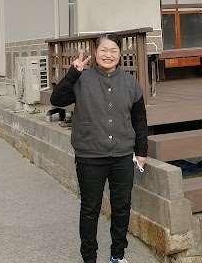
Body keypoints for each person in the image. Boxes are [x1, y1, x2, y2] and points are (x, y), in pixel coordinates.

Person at [50, 33, 148, 263]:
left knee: (122, 207)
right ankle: (89, 258)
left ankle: (117, 256)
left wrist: (141, 151)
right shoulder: (81, 79)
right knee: (90, 208)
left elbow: (140, 120)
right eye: (103, 50)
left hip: (122, 154)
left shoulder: (130, 83)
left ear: (120, 54)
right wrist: (73, 72)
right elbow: (57, 99)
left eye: (113, 50)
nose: (108, 55)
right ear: (95, 53)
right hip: (90, 155)